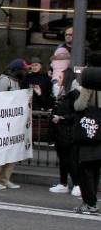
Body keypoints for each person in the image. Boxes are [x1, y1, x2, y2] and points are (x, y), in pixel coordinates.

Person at [0, 58, 28, 190]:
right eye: (23, 70)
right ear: (16, 70)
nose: (25, 72)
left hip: (12, 122)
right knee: (1, 151)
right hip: (3, 123)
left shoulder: (15, 82)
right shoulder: (5, 80)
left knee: (12, 151)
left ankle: (5, 178)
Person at [50, 61, 80, 197]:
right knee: (62, 159)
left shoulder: (74, 94)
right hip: (59, 131)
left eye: (61, 77)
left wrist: (62, 118)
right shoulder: (60, 93)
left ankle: (77, 184)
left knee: (71, 160)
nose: (58, 80)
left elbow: (77, 114)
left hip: (69, 131)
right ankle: (63, 183)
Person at [74, 65, 101, 215]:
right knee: (96, 169)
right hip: (100, 132)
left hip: (89, 131)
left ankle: (89, 203)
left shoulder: (88, 84)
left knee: (85, 170)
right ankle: (92, 201)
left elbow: (79, 106)